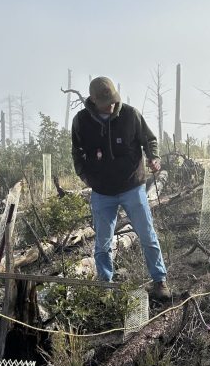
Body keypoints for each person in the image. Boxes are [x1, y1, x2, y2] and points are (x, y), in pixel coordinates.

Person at [70, 76, 169, 300]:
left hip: (132, 187)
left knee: (147, 235)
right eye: (106, 100)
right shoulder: (81, 121)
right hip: (102, 192)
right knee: (103, 242)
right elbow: (77, 152)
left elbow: (149, 140)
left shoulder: (130, 115)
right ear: (93, 100)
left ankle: (160, 281)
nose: (111, 104)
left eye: (113, 99)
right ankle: (106, 287)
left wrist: (154, 158)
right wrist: (85, 176)